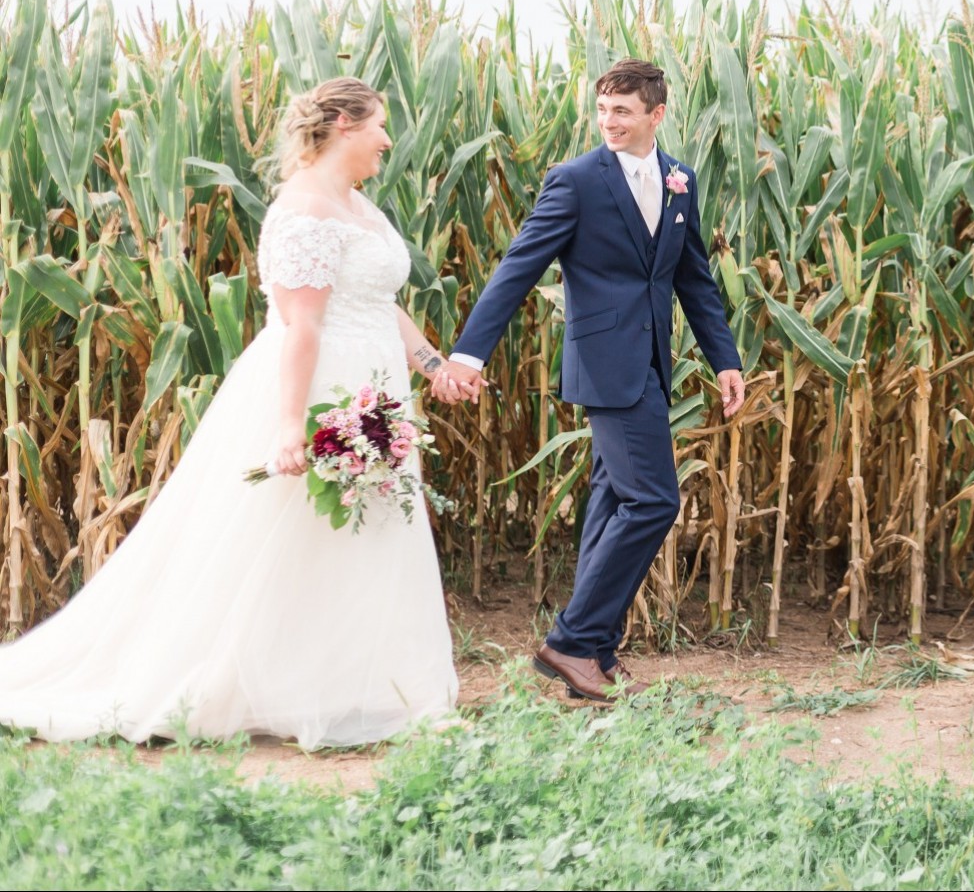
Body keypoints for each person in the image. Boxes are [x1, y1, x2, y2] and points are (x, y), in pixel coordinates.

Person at [0, 78, 462, 750]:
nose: (388, 140)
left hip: (375, 389)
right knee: (286, 538)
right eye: (380, 126)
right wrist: (289, 425)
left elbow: (376, 299)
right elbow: (302, 326)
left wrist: (431, 365)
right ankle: (261, 684)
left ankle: (353, 683)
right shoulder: (304, 209)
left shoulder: (357, 204)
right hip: (322, 390)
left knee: (361, 533)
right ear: (341, 123)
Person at [437, 57, 744, 702]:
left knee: (611, 505)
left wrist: (725, 360)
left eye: (624, 111)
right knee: (655, 500)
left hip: (653, 364)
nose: (610, 121)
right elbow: (520, 265)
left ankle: (597, 652)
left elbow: (693, 279)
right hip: (605, 365)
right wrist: (469, 353)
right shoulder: (575, 180)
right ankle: (572, 641)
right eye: (603, 109)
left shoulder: (680, 179)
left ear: (656, 115)